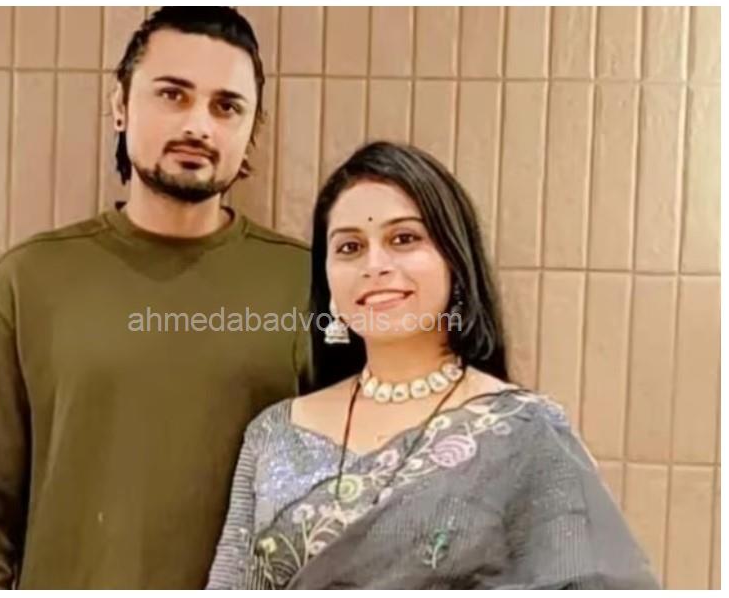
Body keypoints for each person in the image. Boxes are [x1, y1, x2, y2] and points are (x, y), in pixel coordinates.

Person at [0, 7, 311, 589]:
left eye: (226, 107)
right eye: (172, 95)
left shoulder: (308, 286)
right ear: (120, 104)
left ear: (251, 130)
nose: (199, 126)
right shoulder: (31, 281)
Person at [206, 141, 659, 589]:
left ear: (455, 261)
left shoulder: (524, 433)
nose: (375, 265)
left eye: (404, 239)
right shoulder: (275, 433)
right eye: (349, 247)